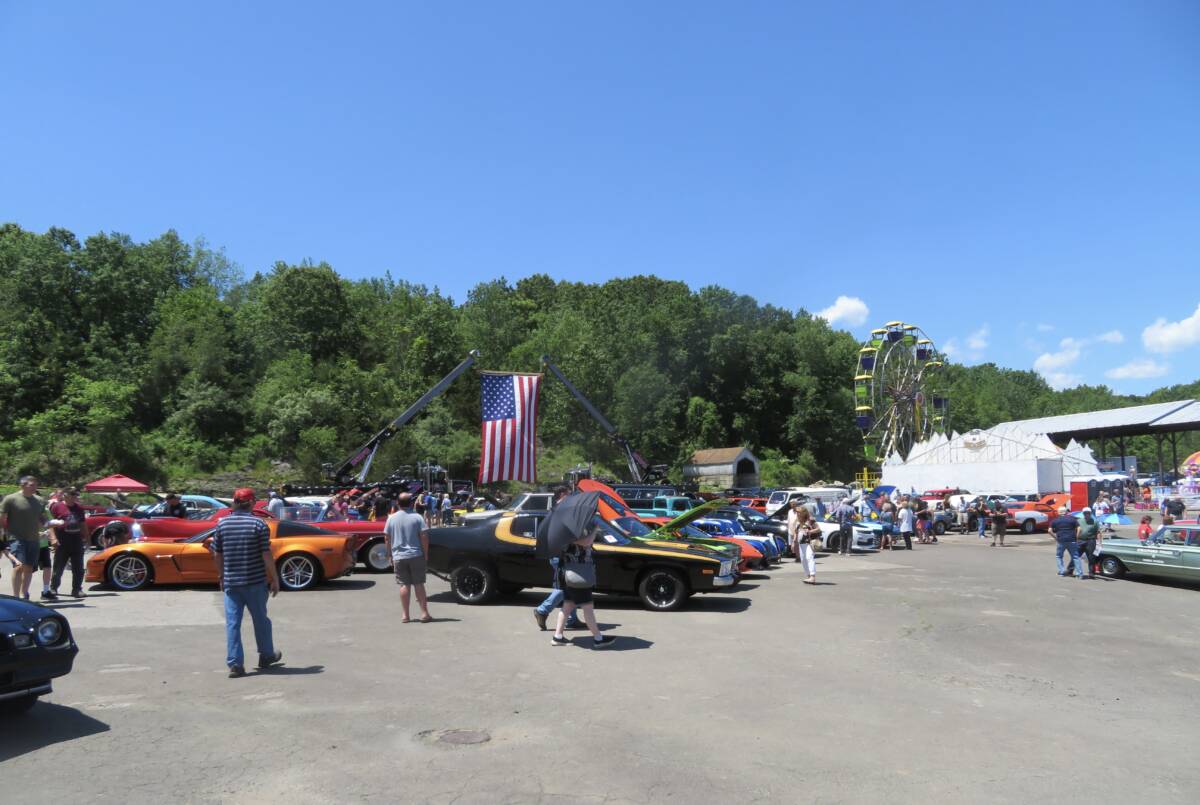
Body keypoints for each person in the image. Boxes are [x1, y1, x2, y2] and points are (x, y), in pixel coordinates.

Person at [211, 488, 282, 677]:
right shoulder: (258, 525)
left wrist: (221, 576)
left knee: (233, 624)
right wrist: (274, 578)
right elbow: (265, 554)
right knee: (261, 621)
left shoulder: (222, 524)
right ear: (251, 503)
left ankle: (235, 664)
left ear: (234, 502)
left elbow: (217, 554)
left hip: (232, 584)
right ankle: (266, 655)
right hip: (255, 582)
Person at [551, 525, 615, 648]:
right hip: (577, 575)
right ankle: (598, 638)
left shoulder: (569, 527)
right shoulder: (569, 529)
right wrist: (595, 530)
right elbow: (586, 542)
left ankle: (557, 637)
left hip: (573, 574)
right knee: (588, 606)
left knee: (568, 605)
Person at [2, 476, 55, 600]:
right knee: (18, 566)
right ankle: (16, 597)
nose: (35, 487)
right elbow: (2, 518)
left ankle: (24, 594)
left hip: (34, 538)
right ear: (23, 485)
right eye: (32, 485)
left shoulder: (39, 500)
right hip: (16, 538)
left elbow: (41, 517)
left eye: (36, 484)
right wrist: (2, 535)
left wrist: (49, 523)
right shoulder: (11, 499)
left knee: (29, 567)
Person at [384, 493, 432, 623]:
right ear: (411, 503)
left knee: (404, 585)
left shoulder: (391, 518)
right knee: (419, 584)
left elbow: (387, 538)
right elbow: (424, 536)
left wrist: (389, 555)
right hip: (416, 554)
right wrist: (425, 553)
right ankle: (424, 613)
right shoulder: (417, 517)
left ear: (397, 504)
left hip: (399, 555)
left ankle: (405, 615)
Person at [50, 487, 87, 598]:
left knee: (78, 568)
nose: (74, 497)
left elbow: (83, 524)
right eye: (72, 495)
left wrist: (87, 538)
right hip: (62, 540)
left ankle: (76, 589)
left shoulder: (79, 508)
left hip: (76, 540)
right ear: (65, 495)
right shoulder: (57, 507)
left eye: (75, 495)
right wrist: (53, 539)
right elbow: (50, 523)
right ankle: (53, 588)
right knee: (59, 566)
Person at [533, 553, 581, 631]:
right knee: (566, 586)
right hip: (564, 557)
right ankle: (542, 610)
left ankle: (572, 619)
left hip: (559, 555)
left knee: (571, 586)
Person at [1050, 506, 1085, 579]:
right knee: (1075, 557)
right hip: (1072, 539)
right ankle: (1079, 574)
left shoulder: (1055, 520)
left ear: (1058, 512)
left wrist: (1056, 538)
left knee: (1059, 556)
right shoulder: (1072, 519)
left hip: (1061, 540)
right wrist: (1076, 537)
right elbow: (1079, 529)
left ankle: (1062, 571)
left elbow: (1049, 530)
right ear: (1066, 512)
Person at [794, 507, 820, 583]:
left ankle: (812, 576)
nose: (798, 513)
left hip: (809, 542)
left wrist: (810, 531)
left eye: (799, 512)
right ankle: (808, 576)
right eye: (797, 512)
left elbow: (818, 529)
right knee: (803, 560)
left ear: (804, 513)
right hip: (801, 543)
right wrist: (794, 541)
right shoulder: (797, 521)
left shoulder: (810, 520)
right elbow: (796, 532)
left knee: (809, 557)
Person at [1076, 508, 1100, 579]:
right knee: (1076, 556)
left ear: (1090, 513)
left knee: (1091, 557)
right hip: (1080, 541)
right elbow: (1075, 530)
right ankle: (1070, 569)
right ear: (1083, 514)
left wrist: (1099, 542)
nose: (1086, 514)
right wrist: (1075, 539)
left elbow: (1098, 532)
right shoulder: (1079, 521)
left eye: (1088, 513)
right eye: (1085, 513)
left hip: (1091, 541)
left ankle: (1091, 573)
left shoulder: (1095, 521)